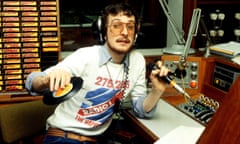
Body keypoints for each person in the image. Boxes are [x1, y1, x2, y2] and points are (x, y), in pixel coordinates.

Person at [25, 3, 169, 144]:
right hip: (62, 136)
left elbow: (140, 110)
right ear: (103, 31)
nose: (125, 32)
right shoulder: (86, 56)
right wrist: (46, 80)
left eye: (130, 27)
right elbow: (31, 81)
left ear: (136, 33)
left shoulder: (137, 61)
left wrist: (157, 91)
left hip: (95, 140)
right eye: (116, 25)